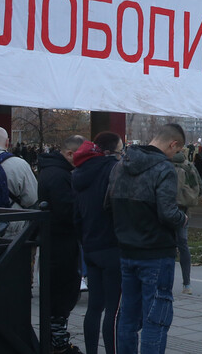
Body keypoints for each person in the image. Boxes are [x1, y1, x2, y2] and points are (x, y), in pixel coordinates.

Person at [110, 123, 189, 354]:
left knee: (127, 317)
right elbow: (167, 212)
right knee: (156, 319)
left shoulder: (120, 165)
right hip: (156, 253)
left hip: (126, 251)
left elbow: (108, 205)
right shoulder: (164, 169)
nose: (175, 155)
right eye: (176, 151)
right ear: (172, 144)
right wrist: (182, 218)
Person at [73, 132, 123, 354]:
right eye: (122, 151)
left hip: (90, 245)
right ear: (111, 152)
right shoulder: (113, 170)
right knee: (113, 308)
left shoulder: (80, 172)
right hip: (112, 245)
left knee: (94, 306)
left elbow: (76, 214)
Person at [37, 136, 84, 354]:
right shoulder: (60, 175)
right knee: (62, 292)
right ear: (69, 154)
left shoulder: (52, 170)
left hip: (54, 240)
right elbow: (67, 211)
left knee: (57, 291)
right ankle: (57, 341)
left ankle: (54, 338)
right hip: (61, 241)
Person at [172, 145, 202, 295]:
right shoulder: (189, 166)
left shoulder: (164, 164)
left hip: (167, 208)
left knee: (167, 245)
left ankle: (166, 281)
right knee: (183, 245)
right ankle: (187, 284)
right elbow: (200, 187)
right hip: (184, 210)